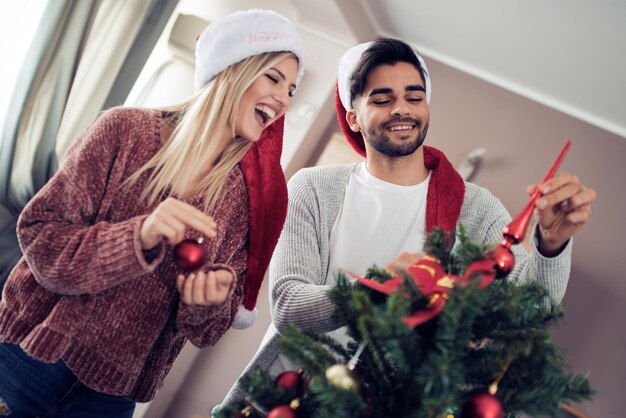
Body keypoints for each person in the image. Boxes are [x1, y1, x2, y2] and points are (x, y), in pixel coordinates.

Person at [217, 37, 596, 409]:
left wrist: (552, 244)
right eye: (382, 99)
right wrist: (381, 290)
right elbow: (288, 306)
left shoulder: (476, 209)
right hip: (282, 401)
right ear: (353, 116)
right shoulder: (313, 188)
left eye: (414, 98)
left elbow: (526, 315)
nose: (402, 109)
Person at [0, 9, 305, 418]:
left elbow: (209, 330)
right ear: (232, 68)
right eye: (273, 78)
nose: (283, 98)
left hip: (109, 402)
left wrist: (208, 302)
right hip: (24, 358)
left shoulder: (241, 200)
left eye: (292, 90)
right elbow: (41, 240)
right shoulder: (122, 131)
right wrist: (138, 236)